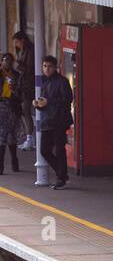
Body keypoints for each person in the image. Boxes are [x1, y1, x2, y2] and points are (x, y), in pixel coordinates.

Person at [32, 56, 73, 189]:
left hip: (59, 120)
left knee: (59, 149)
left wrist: (48, 102)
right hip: (47, 120)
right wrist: (38, 104)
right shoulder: (44, 81)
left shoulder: (62, 81)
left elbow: (67, 99)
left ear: (55, 67)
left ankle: (61, 178)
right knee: (44, 150)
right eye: (44, 66)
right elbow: (44, 100)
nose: (46, 69)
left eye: (49, 66)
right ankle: (62, 174)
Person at [11, 34, 34, 150]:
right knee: (25, 112)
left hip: (28, 86)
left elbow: (29, 69)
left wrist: (18, 66)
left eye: (17, 42)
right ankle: (29, 137)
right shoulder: (22, 51)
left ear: (23, 40)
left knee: (26, 111)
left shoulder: (30, 51)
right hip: (23, 85)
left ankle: (30, 138)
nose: (16, 45)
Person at [0, 53, 22, 173]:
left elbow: (21, 93)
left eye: (9, 60)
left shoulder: (16, 75)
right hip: (2, 105)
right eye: (4, 60)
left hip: (13, 106)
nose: (6, 62)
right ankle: (1, 165)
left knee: (12, 135)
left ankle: (14, 160)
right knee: (2, 135)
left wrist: (15, 90)